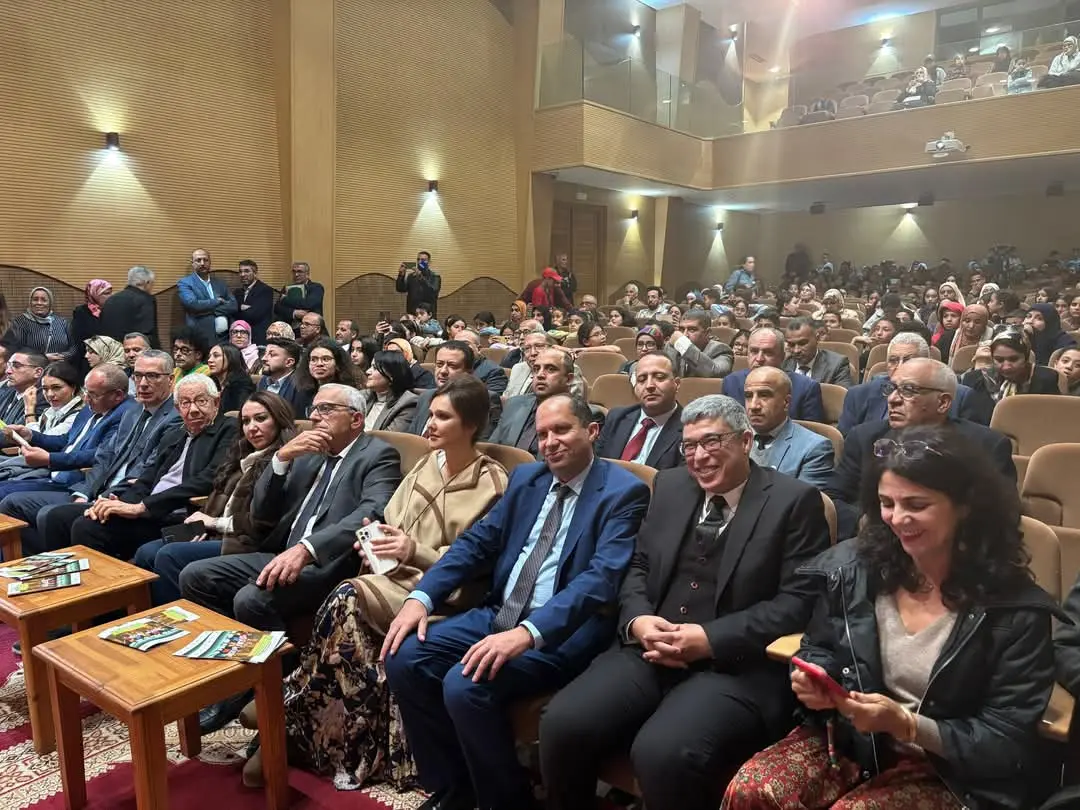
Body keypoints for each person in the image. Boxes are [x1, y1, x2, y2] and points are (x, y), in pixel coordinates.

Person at [724, 426, 1063, 810]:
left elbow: (1006, 742)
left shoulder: (1014, 609)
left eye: (917, 505)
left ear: (966, 507)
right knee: (753, 790)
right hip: (853, 741)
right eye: (887, 503)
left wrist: (907, 725)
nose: (898, 519)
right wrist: (816, 680)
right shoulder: (855, 570)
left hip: (950, 770)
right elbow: (819, 646)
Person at [540, 394, 830, 810]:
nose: (699, 456)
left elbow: (798, 602)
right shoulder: (671, 484)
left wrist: (709, 638)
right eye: (689, 445)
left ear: (746, 441)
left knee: (663, 752)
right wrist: (638, 620)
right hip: (649, 646)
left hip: (733, 666)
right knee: (563, 723)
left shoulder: (794, 502)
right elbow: (638, 565)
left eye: (712, 442)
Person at [383, 394, 650, 810]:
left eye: (562, 430)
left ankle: (505, 800)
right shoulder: (528, 479)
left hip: (562, 631)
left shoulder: (623, 492)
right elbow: (476, 544)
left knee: (465, 684)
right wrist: (422, 596)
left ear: (592, 432)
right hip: (500, 612)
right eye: (542, 434)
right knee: (405, 656)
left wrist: (528, 633)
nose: (550, 443)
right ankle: (455, 787)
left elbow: (601, 580)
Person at [248, 377, 510, 789]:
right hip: (389, 575)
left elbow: (478, 564)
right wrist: (377, 539)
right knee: (346, 610)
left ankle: (298, 712)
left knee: (344, 599)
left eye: (443, 417)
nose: (429, 425)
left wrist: (413, 551)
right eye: (431, 414)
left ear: (471, 425)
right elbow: (389, 519)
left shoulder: (492, 484)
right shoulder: (428, 462)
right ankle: (328, 730)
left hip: (438, 591)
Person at [179, 384, 400, 732]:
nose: (314, 416)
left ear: (356, 419)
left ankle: (273, 688)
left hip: (328, 563)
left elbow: (371, 512)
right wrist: (281, 460)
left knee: (251, 599)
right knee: (195, 576)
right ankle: (233, 673)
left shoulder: (377, 455)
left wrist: (308, 548)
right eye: (314, 408)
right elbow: (262, 510)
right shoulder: (307, 450)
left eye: (326, 409)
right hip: (279, 550)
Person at [134, 391, 295, 605]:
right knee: (145, 552)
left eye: (261, 418)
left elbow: (262, 522)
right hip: (215, 530)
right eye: (246, 421)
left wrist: (213, 523)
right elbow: (218, 499)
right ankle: (150, 616)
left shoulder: (284, 462)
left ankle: (180, 622)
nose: (252, 428)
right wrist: (203, 525)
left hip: (243, 540)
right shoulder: (242, 455)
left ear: (279, 418)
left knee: (170, 555)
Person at [15, 350, 182, 556]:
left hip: (132, 497)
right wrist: (84, 494)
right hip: (103, 491)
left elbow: (148, 469)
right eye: (138, 376)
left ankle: (92, 583)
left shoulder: (175, 417)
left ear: (171, 380)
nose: (143, 383)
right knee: (52, 515)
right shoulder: (134, 411)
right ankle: (58, 575)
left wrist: (110, 498)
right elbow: (105, 457)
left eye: (153, 376)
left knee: (63, 518)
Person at [826, 359, 1014, 539]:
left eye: (908, 390)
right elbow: (834, 497)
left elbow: (1001, 514)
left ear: (943, 403)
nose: (892, 399)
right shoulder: (864, 437)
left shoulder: (986, 446)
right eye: (891, 389)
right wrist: (873, 522)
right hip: (872, 544)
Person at [64, 374, 238, 560]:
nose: (193, 410)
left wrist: (142, 507)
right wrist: (124, 503)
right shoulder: (176, 433)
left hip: (179, 514)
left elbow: (209, 478)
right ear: (178, 409)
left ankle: (114, 586)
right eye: (185, 403)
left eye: (201, 401)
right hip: (149, 509)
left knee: (88, 528)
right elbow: (148, 476)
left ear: (216, 402)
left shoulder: (229, 429)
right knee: (65, 517)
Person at [0, 364, 133, 502]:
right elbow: (67, 441)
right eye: (86, 392)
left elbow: (100, 454)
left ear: (117, 395)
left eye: (93, 394)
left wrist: (50, 459)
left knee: (11, 500)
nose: (86, 399)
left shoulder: (127, 415)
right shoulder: (89, 408)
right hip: (55, 476)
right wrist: (31, 435)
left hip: (78, 484)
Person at [837, 333, 991, 433]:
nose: (900, 366)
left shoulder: (960, 397)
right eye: (893, 360)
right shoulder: (858, 395)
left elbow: (969, 449)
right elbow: (849, 450)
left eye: (909, 360)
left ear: (927, 362)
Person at [744, 367, 834, 489]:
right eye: (749, 396)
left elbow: (806, 504)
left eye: (764, 395)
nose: (754, 405)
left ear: (786, 402)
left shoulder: (814, 448)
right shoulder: (731, 439)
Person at [595, 352, 683, 470]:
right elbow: (596, 465)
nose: (649, 385)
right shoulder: (617, 417)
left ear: (676, 384)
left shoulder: (689, 428)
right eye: (642, 379)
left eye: (659, 377)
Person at [723, 328, 825, 422]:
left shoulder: (806, 388)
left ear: (782, 357)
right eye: (754, 351)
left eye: (768, 353)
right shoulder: (731, 382)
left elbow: (811, 435)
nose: (759, 359)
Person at [489, 348, 576, 456]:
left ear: (569, 379)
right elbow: (491, 449)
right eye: (536, 369)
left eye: (550, 369)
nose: (540, 375)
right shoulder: (514, 404)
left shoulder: (580, 414)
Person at [960, 326, 1062, 412]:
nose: (1006, 366)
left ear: (1026, 357)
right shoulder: (975, 379)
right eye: (999, 360)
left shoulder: (1046, 379)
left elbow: (1053, 417)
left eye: (1014, 359)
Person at [177, 248, 237, 346]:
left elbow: (233, 305)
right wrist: (216, 302)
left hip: (224, 337)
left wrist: (208, 310)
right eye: (198, 260)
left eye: (205, 260)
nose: (202, 263)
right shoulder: (185, 283)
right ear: (192, 263)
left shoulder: (220, 283)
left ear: (210, 262)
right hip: (201, 336)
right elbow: (192, 304)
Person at [0, 287, 76, 363]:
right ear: (30, 302)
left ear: (50, 303)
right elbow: (17, 349)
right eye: (35, 299)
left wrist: (62, 356)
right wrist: (43, 357)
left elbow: (74, 347)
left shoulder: (62, 322)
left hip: (59, 368)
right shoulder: (19, 322)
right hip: (31, 368)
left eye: (44, 300)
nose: (39, 303)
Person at [782, 317, 853, 388]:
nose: (796, 350)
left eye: (802, 343)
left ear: (817, 338)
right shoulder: (783, 363)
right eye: (791, 345)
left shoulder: (837, 364)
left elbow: (843, 397)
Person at [99, 265, 159, 348]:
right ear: (147, 283)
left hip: (110, 350)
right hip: (132, 351)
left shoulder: (111, 299)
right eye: (152, 283)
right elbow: (148, 331)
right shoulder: (146, 299)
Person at [17, 362, 83, 436]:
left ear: (73, 387)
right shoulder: (49, 411)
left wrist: (29, 410)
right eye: (45, 389)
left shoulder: (79, 414)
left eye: (56, 387)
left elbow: (41, 441)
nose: (50, 394)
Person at [362, 351, 419, 432]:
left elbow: (386, 440)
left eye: (375, 368)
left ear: (391, 376)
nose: (367, 372)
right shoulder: (364, 395)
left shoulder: (408, 403)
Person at [294, 338, 355, 415]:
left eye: (325, 359)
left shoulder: (348, 394)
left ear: (338, 364)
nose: (319, 364)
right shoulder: (302, 393)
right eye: (313, 359)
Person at [666, 310, 734, 378]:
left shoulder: (721, 349)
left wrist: (684, 344)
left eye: (692, 330)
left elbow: (715, 372)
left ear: (707, 333)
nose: (684, 335)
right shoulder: (674, 346)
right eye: (682, 329)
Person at [257, 338, 312, 416]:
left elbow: (298, 421)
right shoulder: (263, 381)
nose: (264, 359)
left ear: (289, 362)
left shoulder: (301, 386)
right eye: (265, 354)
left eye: (272, 355)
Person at [70, 279, 113, 375]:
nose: (110, 297)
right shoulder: (81, 312)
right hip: (87, 361)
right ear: (94, 294)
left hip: (109, 361)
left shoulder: (111, 311)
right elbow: (79, 339)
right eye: (105, 294)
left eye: (110, 293)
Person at [207, 343, 257, 414]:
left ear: (231, 358)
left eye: (216, 356)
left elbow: (238, 414)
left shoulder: (242, 385)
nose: (210, 360)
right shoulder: (209, 382)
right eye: (209, 356)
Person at [233, 259, 274, 344]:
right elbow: (230, 311)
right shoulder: (237, 292)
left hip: (257, 337)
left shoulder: (265, 290)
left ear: (255, 273)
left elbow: (253, 315)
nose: (243, 274)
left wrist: (238, 309)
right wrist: (241, 308)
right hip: (240, 337)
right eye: (240, 272)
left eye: (246, 271)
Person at [0, 352, 46, 426]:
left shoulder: (44, 399)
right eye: (9, 365)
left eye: (16, 366)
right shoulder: (6, 390)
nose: (8, 371)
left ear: (37, 372)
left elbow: (17, 434)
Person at [1025, 302, 1078, 366]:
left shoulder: (1065, 342)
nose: (1030, 321)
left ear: (1050, 323)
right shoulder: (1022, 336)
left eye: (1039, 318)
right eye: (1028, 316)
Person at [396, 251, 442, 316]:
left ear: (429, 262)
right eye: (418, 259)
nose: (420, 262)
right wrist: (401, 275)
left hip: (428, 315)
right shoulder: (411, 276)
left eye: (423, 260)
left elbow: (433, 291)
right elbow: (400, 289)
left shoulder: (435, 276)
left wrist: (421, 277)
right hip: (413, 314)